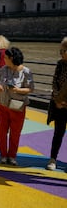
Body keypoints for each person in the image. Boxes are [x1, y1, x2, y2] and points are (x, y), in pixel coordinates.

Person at [0, 47, 34, 166]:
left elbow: (31, 88)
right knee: (2, 131)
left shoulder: (26, 72)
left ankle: (12, 156)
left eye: (5, 58)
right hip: (3, 104)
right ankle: (3, 155)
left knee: (15, 132)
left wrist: (18, 90)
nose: (4, 59)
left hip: (17, 106)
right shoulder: (3, 69)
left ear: (11, 59)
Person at [46, 37, 67, 171]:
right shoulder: (60, 64)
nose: (61, 53)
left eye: (64, 50)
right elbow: (54, 83)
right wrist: (58, 99)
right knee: (58, 133)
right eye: (61, 50)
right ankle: (53, 159)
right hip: (59, 105)